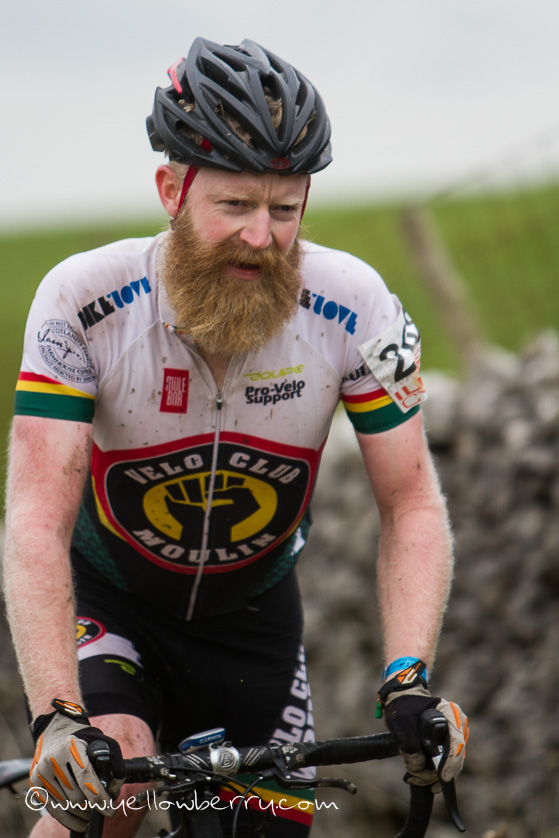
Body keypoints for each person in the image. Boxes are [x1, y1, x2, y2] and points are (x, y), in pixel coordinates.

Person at [3, 37, 468, 837]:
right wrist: (56, 714)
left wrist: (408, 678)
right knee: (105, 784)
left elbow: (411, 502)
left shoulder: (357, 306)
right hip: (111, 600)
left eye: (284, 210)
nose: (260, 236)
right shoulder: (83, 301)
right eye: (235, 206)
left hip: (254, 620)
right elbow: (36, 519)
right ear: (171, 190)